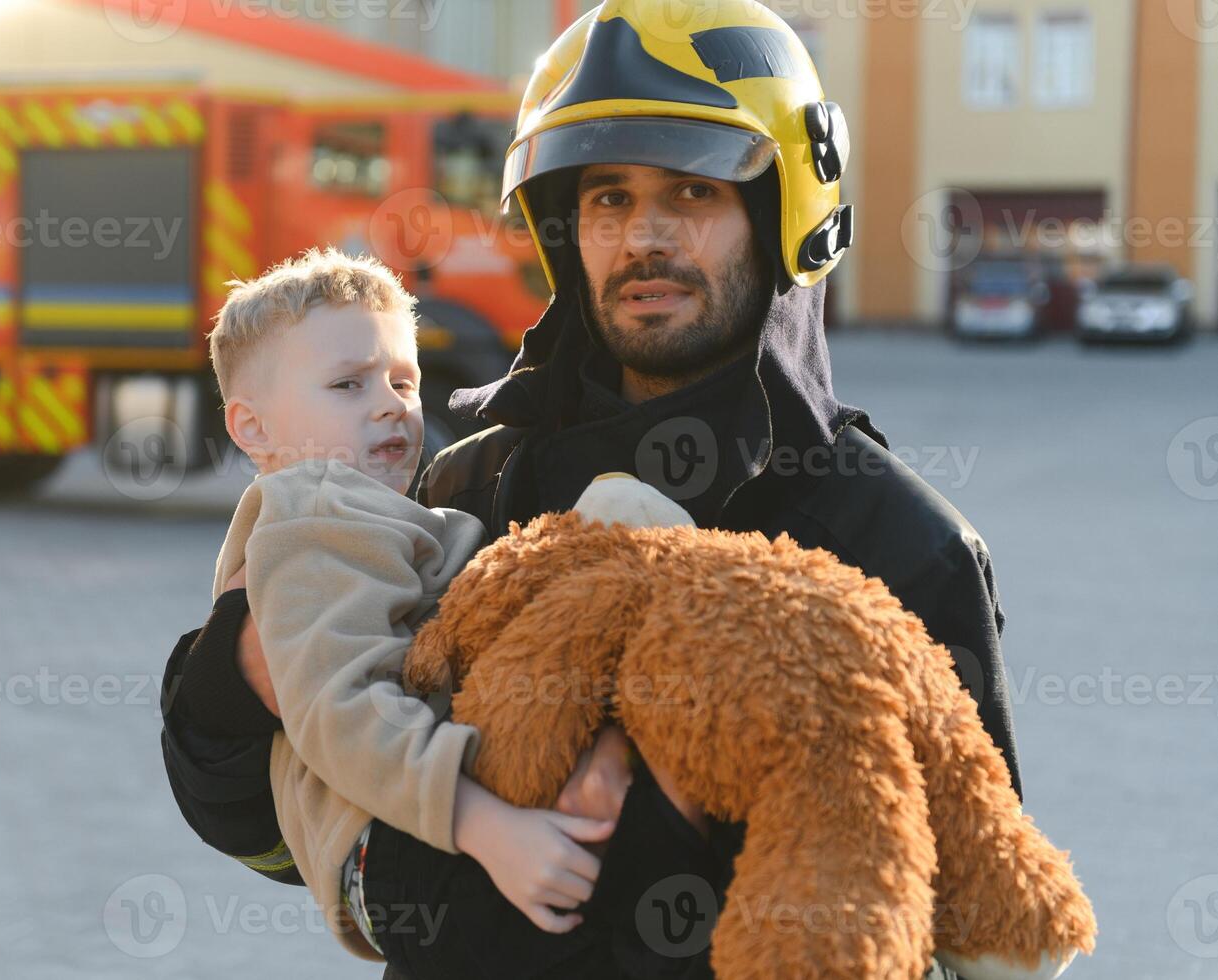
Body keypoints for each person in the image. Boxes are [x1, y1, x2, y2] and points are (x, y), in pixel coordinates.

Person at [161, 3, 1022, 977]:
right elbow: (290, 837)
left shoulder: (895, 539)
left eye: (692, 189)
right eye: (607, 198)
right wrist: (226, 688)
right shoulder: (473, 485)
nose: (643, 235)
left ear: (788, 211)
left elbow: (970, 929)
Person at [202, 246, 640, 961]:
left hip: (404, 821)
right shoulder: (312, 519)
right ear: (253, 429)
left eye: (403, 382)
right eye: (346, 385)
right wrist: (486, 827)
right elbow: (337, 709)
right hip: (382, 844)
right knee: (620, 515)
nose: (389, 406)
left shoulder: (371, 511)